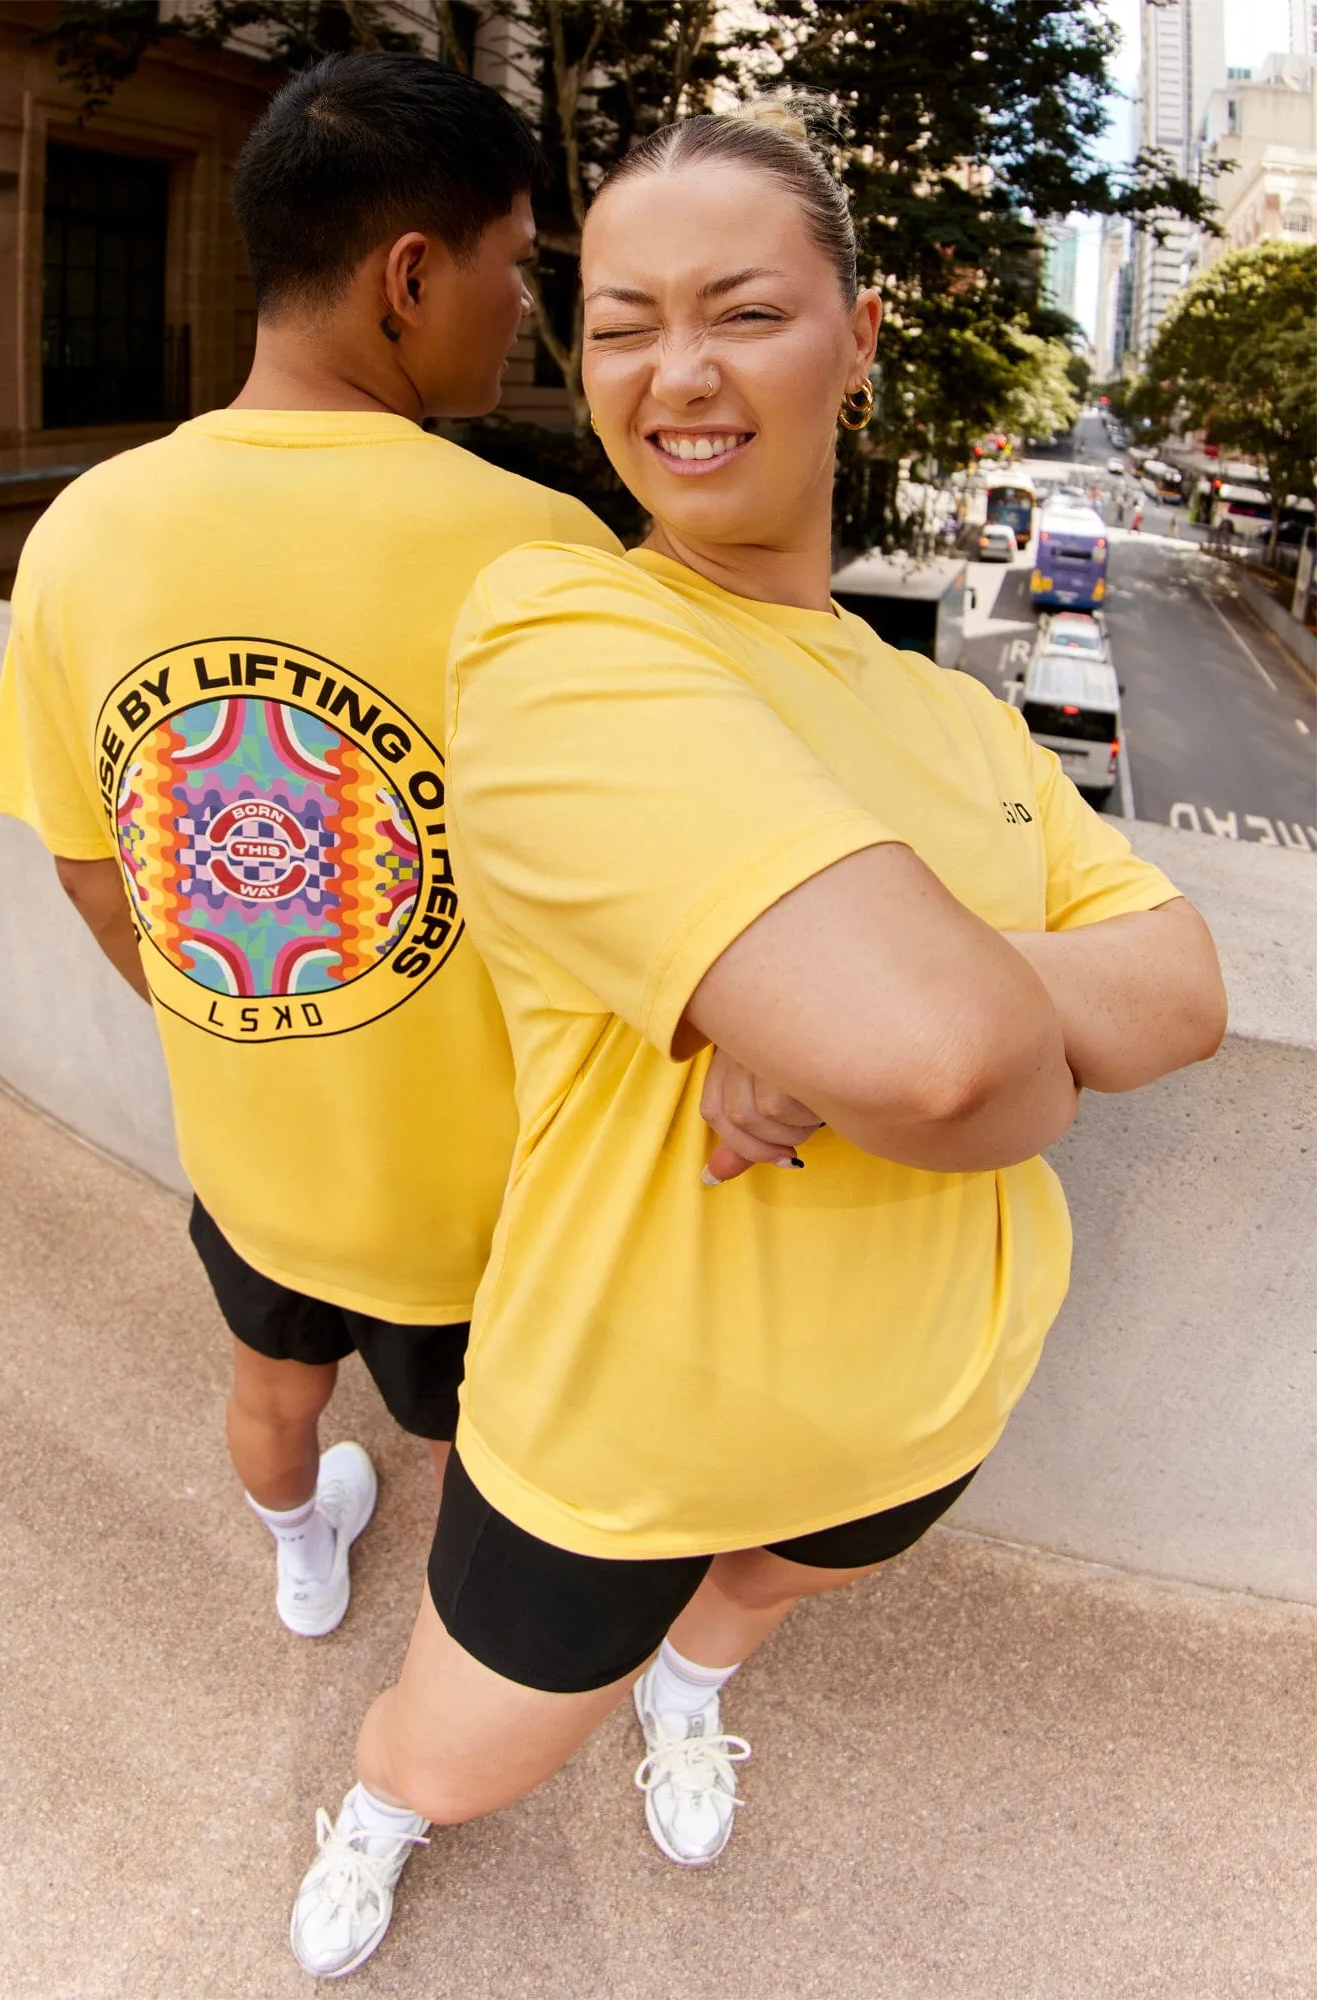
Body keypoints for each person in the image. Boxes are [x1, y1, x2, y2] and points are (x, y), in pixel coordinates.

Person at [289, 99, 1226, 1978]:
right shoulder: (558, 627)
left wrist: (848, 1018)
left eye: (744, 310)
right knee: (460, 1743)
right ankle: (377, 1809)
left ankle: (692, 1685)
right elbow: (958, 1075)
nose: (677, 373)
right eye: (622, 321)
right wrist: (927, 1008)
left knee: (763, 1596)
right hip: (617, 1417)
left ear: (860, 336)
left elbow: (1184, 993)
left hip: (922, 1393)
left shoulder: (952, 719)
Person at [0, 54, 616, 1645]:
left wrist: (235, 1024)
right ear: (411, 276)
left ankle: (297, 1549)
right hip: (475, 1205)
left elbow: (90, 863)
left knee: (273, 1391)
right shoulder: (537, 553)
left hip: (249, 1155)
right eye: (514, 267)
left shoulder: (82, 531)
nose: (518, 310)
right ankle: (479, 1657)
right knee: (492, 1450)